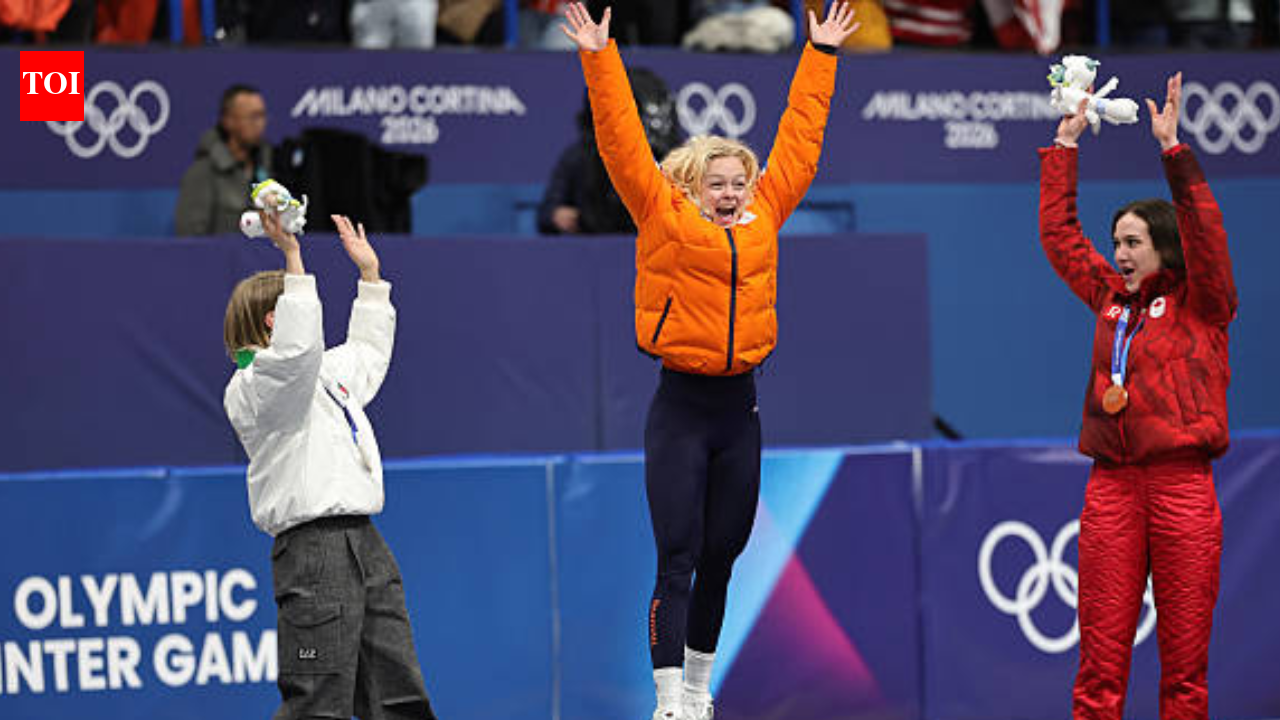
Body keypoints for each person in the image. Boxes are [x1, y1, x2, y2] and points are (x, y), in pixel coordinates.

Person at [561, 3, 859, 719]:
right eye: (717, 184)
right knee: (679, 558)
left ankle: (699, 693)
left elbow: (800, 142)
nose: (731, 194)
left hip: (740, 410)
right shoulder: (661, 213)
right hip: (681, 409)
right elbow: (621, 141)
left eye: (739, 184)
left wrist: (820, 54)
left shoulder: (765, 215)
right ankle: (668, 702)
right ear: (691, 187)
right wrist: (600, 58)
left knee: (724, 555)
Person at [1039, 73, 1236, 720]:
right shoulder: (1108, 299)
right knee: (1099, 663)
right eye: (1117, 242)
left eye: (1133, 243)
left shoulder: (1204, 303)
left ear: (1163, 248)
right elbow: (1062, 237)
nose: (1119, 253)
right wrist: (1065, 146)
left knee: (1184, 670)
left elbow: (1206, 233)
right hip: (1112, 488)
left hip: (1182, 487)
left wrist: (1173, 152)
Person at [222, 210, 438, 720]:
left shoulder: (318, 374)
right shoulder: (254, 386)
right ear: (276, 319)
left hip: (363, 539)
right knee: (318, 702)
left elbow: (364, 353)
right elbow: (295, 354)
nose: (311, 317)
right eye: (298, 303)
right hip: (314, 549)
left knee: (396, 690)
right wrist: (293, 256)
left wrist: (370, 278)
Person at [176, 85, 272, 236]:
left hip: (266, 258)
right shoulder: (202, 173)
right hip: (221, 258)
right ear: (228, 121)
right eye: (253, 117)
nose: (260, 124)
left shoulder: (269, 166)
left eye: (262, 116)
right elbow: (191, 239)